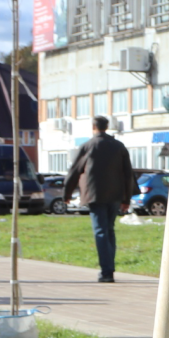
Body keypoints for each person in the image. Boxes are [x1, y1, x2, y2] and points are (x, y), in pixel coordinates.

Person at [64, 116, 136, 282]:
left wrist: (67, 194)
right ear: (107, 126)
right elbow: (128, 174)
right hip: (116, 195)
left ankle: (106, 272)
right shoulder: (119, 146)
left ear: (93, 127)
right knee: (109, 230)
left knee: (101, 231)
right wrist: (126, 199)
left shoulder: (88, 146)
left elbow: (74, 171)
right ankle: (109, 269)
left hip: (95, 195)